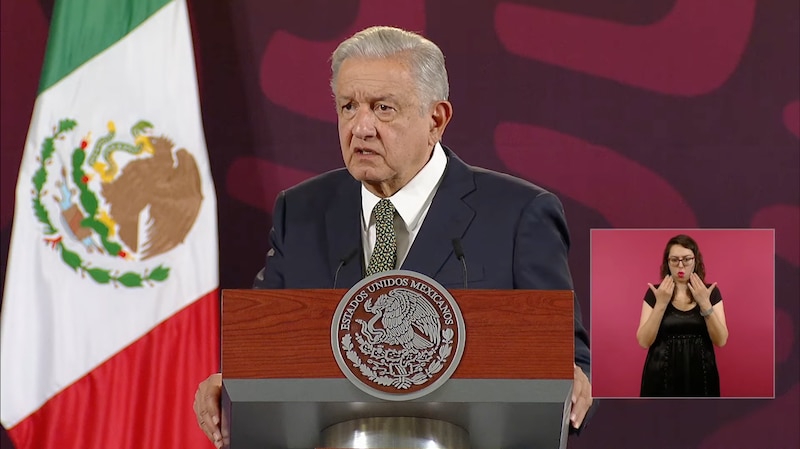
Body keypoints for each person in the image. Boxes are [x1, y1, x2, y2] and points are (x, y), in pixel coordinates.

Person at [194, 25, 593, 447]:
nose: (361, 128)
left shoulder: (517, 214)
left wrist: (570, 378)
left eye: (383, 108)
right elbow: (265, 351)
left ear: (436, 119)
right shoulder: (302, 211)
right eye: (348, 106)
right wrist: (231, 385)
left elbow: (571, 363)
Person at [636, 234, 729, 397]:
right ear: (667, 262)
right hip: (660, 375)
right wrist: (661, 303)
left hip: (702, 375)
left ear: (695, 260)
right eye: (674, 260)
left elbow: (721, 340)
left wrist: (704, 303)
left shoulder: (711, 293)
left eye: (686, 259)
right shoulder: (655, 294)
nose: (681, 266)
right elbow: (643, 341)